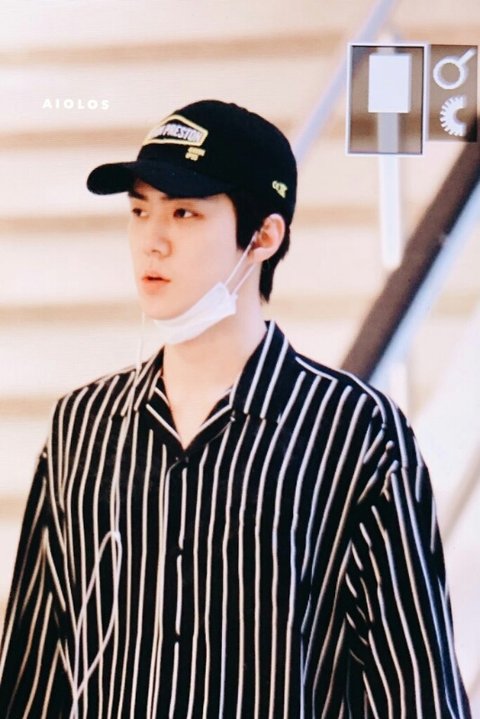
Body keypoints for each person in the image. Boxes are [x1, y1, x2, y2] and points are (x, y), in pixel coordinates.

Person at [0, 99, 471, 718]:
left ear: (264, 236)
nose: (152, 242)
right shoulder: (82, 427)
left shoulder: (354, 431)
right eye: (139, 211)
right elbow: (33, 676)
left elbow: (413, 685)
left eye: (185, 213)